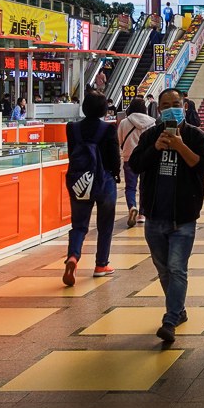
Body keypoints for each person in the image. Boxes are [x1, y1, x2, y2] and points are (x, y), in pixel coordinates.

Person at [129, 87, 204, 342]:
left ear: (184, 106)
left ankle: (169, 320)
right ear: (158, 109)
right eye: (165, 105)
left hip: (183, 218)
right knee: (164, 270)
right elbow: (135, 165)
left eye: (175, 104)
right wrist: (156, 148)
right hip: (154, 216)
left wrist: (180, 146)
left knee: (177, 269)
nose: (170, 109)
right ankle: (179, 310)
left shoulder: (196, 136)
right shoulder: (150, 135)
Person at [63, 92, 121, 286]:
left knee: (79, 225)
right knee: (105, 225)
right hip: (104, 180)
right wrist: (116, 174)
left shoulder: (72, 128)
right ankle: (101, 265)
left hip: (80, 180)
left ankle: (73, 257)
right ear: (104, 108)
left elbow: (73, 154)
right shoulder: (108, 128)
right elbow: (114, 155)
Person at [117, 98, 156, 227]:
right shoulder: (152, 122)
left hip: (129, 158)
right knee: (145, 186)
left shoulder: (124, 122)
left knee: (130, 187)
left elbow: (119, 140)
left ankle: (132, 207)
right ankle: (142, 214)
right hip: (147, 158)